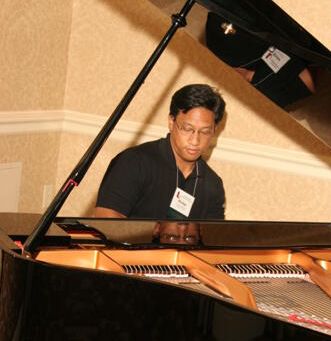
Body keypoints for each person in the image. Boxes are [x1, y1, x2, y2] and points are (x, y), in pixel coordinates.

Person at [95, 84, 226, 220]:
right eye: (187, 129)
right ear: (171, 122)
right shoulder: (134, 163)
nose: (195, 140)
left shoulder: (213, 185)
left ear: (214, 130)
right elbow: (107, 221)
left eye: (205, 132)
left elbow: (213, 238)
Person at [205, 11, 315, 108]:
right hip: (303, 36)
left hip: (263, 15)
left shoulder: (216, 41)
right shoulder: (265, 90)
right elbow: (308, 82)